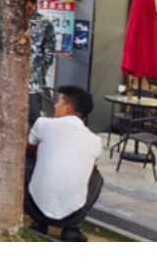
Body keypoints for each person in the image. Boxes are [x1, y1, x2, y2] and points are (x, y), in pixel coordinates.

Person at [0, 0, 55, 192]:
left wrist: (34, 75)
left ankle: (25, 178)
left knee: (30, 133)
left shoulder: (45, 25)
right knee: (1, 130)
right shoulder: (2, 22)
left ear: (31, 4)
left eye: (24, 4)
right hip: (4, 84)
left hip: (31, 89)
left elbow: (49, 55)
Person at [25, 85, 103, 242]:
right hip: (72, 215)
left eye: (59, 102)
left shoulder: (43, 124)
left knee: (27, 160)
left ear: (68, 107)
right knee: (96, 177)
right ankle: (72, 230)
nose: (55, 105)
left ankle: (40, 223)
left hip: (35, 208)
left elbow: (28, 150)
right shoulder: (95, 140)